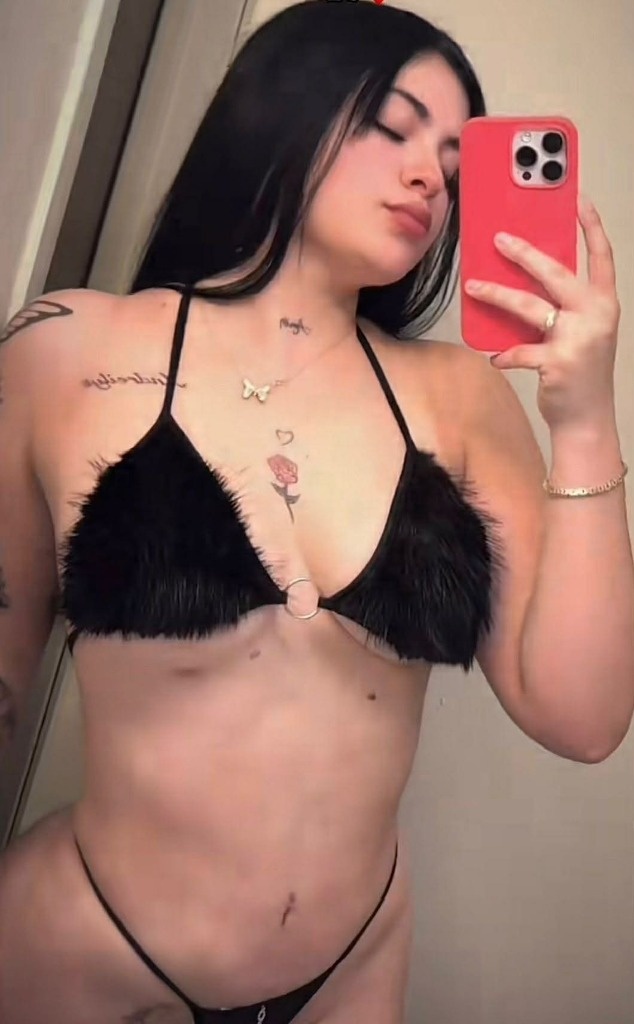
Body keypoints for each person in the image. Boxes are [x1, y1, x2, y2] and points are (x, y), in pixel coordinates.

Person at [0, 2, 632, 1022]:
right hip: (88, 953)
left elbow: (584, 719)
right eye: (392, 126)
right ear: (283, 103)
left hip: (350, 972)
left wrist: (587, 420)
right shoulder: (67, 349)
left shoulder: (460, 398)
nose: (431, 177)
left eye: (454, 163)